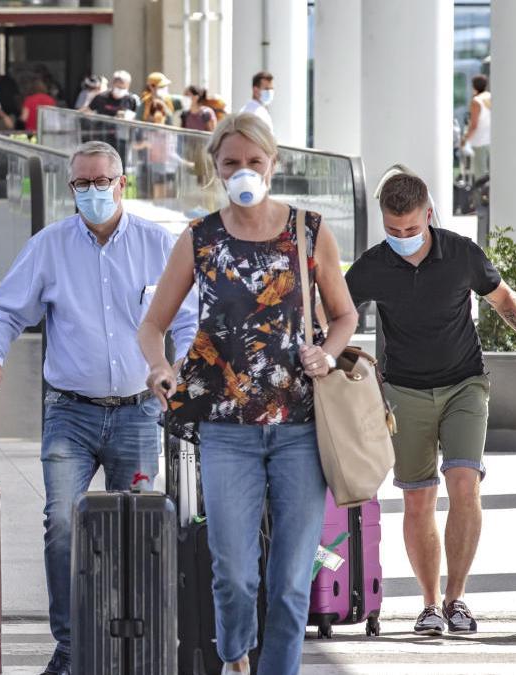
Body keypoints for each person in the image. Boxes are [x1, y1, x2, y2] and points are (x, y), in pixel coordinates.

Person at [138, 113, 357, 675]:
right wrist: (161, 368)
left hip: (300, 430)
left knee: (289, 581)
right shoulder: (200, 237)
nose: (243, 172)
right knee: (234, 573)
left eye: (254, 162)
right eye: (231, 163)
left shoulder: (309, 230)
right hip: (225, 431)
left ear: (273, 165)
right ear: (214, 168)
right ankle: (235, 655)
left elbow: (345, 314)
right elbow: (152, 325)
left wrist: (327, 354)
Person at [0, 141, 198, 675]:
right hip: (70, 412)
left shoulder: (156, 244)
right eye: (82, 184)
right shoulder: (49, 246)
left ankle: (137, 638)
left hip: (139, 410)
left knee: (143, 528)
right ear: (70, 187)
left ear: (123, 183)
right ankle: (72, 646)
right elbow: (5, 311)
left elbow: (186, 320)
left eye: (102, 182)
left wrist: (177, 368)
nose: (93, 192)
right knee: (62, 525)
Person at [344, 167, 516, 637]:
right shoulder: (372, 265)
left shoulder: (461, 253)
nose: (402, 237)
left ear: (428, 213)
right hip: (403, 391)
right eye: (392, 230)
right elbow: (337, 311)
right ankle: (428, 606)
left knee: (465, 484)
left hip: (465, 382)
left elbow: (504, 299)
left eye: (411, 228)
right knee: (418, 499)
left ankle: (457, 598)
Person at [462, 74, 492, 182]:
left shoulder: (476, 101)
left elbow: (474, 125)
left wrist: (465, 140)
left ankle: (481, 198)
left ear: (474, 86)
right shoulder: (490, 97)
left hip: (479, 142)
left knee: (481, 176)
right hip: (491, 141)